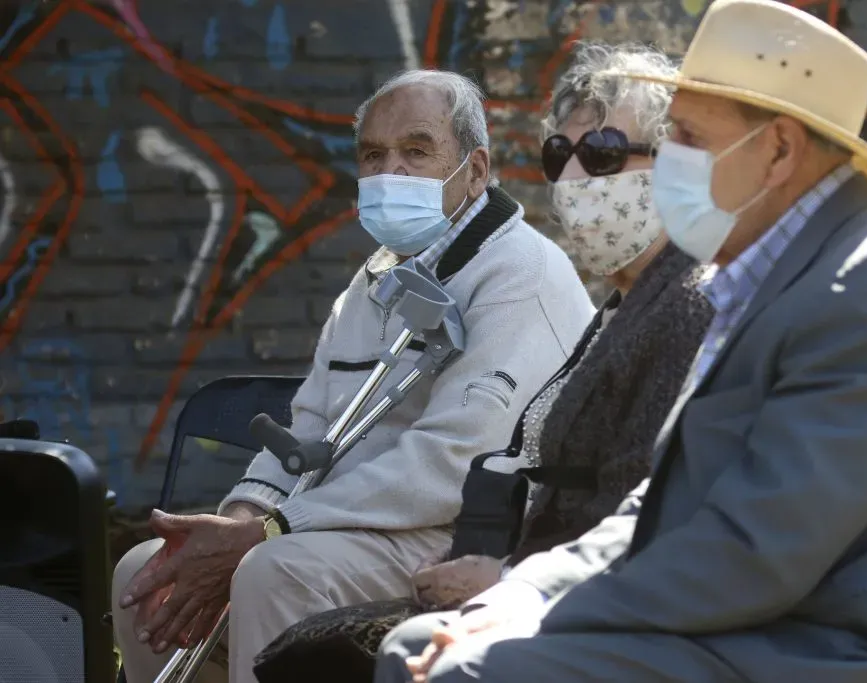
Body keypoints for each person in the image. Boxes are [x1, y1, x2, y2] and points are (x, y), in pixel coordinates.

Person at [375, 2, 867, 683]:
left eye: (686, 134)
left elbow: (758, 555)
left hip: (825, 650)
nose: (668, 159)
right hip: (752, 624)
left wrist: (540, 619)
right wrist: (521, 593)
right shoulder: (774, 267)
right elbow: (664, 508)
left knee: (461, 672)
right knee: (417, 645)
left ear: (778, 149)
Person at [248, 41, 714, 683]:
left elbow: (644, 509)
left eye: (604, 153)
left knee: (306, 593)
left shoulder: (687, 309)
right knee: (158, 575)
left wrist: (511, 580)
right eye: (561, 154)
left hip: (583, 605)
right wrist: (248, 511)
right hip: (513, 568)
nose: (576, 179)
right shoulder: (620, 310)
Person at [110, 69, 596, 683]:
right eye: (373, 155)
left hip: (453, 535)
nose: (390, 171)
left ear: (475, 171)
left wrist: (274, 529)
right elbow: (307, 425)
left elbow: (450, 468)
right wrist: (239, 518)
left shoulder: (520, 276)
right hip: (339, 527)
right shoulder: (379, 277)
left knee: (273, 570)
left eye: (416, 151)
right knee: (146, 570)